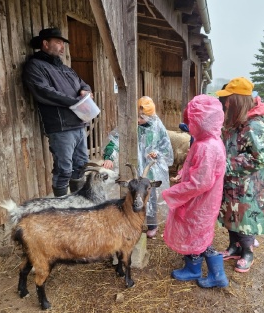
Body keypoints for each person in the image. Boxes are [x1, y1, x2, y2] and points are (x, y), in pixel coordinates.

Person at [163, 94, 228, 288]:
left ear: (201, 122)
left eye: (191, 121)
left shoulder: (206, 146)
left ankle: (200, 271)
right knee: (201, 234)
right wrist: (183, 172)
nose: (188, 125)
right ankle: (209, 271)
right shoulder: (212, 141)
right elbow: (197, 168)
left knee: (196, 233)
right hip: (207, 200)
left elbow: (200, 182)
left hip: (199, 200)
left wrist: (173, 193)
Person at [216, 77, 264, 273]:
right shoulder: (237, 121)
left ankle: (247, 252)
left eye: (228, 100)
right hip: (235, 181)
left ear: (237, 102)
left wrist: (227, 164)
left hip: (251, 185)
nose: (225, 104)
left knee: (245, 219)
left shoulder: (255, 125)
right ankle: (234, 247)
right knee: (231, 214)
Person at [22, 28, 92, 197]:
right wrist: (76, 102)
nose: (62, 47)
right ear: (45, 44)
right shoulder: (35, 66)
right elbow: (44, 91)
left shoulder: (66, 69)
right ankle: (61, 206)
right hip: (60, 127)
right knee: (64, 169)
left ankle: (78, 202)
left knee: (81, 165)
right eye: (58, 42)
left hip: (79, 122)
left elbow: (84, 84)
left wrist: (85, 91)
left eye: (63, 44)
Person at [102, 96, 173, 238]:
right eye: (137, 116)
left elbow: (166, 148)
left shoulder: (157, 127)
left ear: (150, 117)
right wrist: (109, 156)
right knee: (132, 195)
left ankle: (152, 224)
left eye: (142, 117)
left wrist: (156, 153)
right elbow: (115, 139)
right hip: (133, 168)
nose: (138, 120)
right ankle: (133, 222)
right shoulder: (130, 124)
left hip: (150, 170)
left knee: (150, 196)